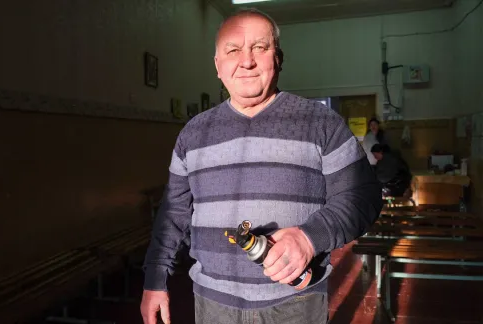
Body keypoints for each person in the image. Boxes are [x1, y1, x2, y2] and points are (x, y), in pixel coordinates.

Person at [140, 8, 383, 324]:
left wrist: (309, 238)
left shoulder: (321, 123)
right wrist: (155, 278)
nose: (247, 61)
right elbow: (173, 213)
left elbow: (364, 196)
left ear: (278, 57)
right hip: (212, 304)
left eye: (259, 47)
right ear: (217, 65)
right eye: (233, 50)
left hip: (295, 303)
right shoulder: (193, 133)